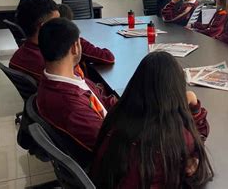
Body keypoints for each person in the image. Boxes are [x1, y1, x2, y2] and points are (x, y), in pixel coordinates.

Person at [90, 52, 213, 188]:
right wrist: (193, 108)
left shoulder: (117, 117)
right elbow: (197, 169)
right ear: (175, 92)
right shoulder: (171, 139)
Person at [37, 18, 118, 152]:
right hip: (116, 158)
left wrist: (129, 105)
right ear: (75, 47)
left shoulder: (67, 78)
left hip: (115, 122)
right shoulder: (71, 106)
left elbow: (101, 101)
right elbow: (113, 147)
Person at [9, 0, 61, 81]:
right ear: (44, 27)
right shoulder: (47, 63)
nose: (61, 25)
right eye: (57, 22)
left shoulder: (21, 54)